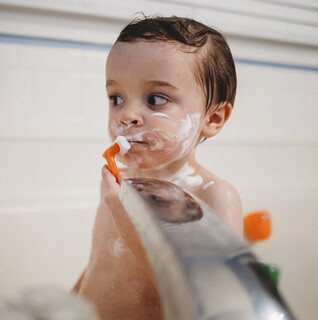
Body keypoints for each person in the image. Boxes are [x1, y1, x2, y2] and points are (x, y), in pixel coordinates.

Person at [72, 15, 243, 320]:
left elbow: (213, 303)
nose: (127, 115)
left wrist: (129, 220)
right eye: (116, 98)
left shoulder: (213, 197)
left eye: (155, 99)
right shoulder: (115, 182)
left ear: (213, 119)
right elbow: (100, 263)